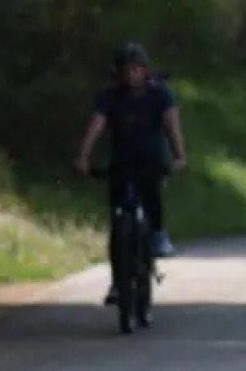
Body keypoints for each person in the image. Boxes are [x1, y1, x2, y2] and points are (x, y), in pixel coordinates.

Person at [75, 42, 187, 306]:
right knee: (118, 221)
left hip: (151, 159)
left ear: (145, 70)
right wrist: (83, 156)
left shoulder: (159, 94)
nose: (131, 75)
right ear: (118, 72)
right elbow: (96, 125)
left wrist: (179, 155)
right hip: (122, 162)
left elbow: (172, 124)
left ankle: (158, 235)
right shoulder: (110, 97)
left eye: (136, 69)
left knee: (152, 194)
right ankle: (117, 280)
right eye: (126, 69)